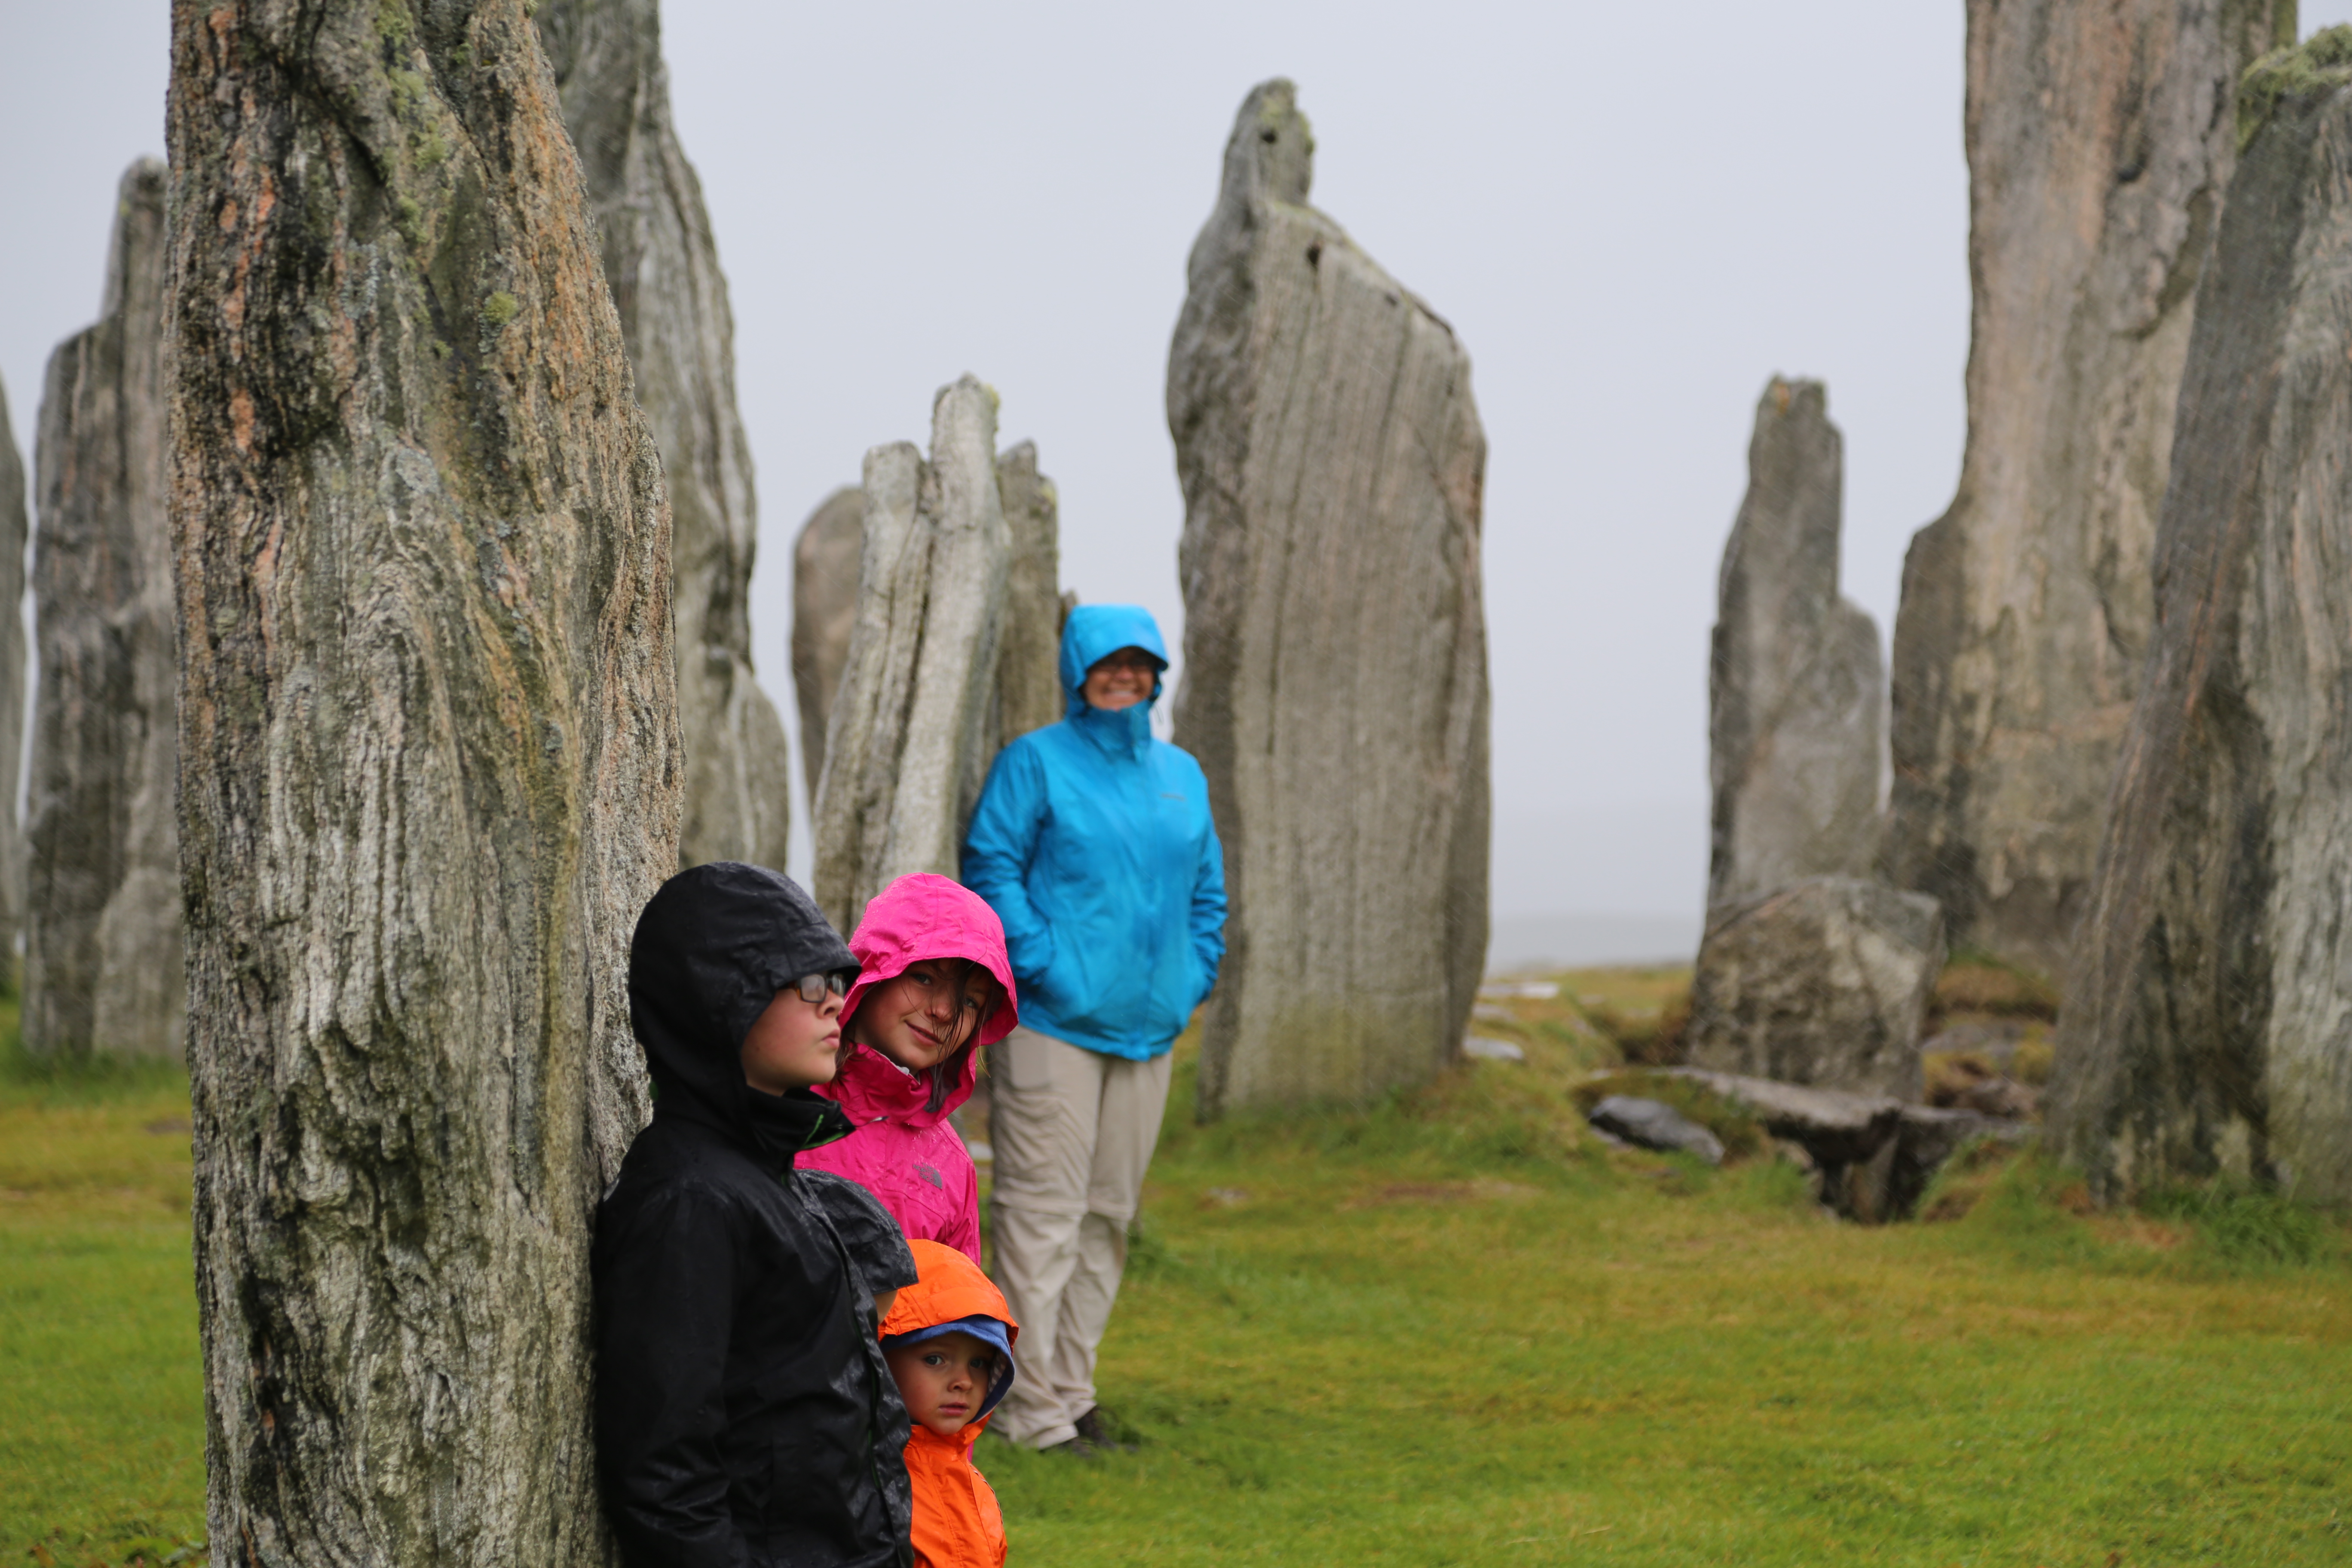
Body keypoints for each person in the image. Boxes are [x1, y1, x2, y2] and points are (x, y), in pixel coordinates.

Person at [594, 861, 914, 1568]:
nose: (836, 1004)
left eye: (837, 982)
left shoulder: (767, 1172)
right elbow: (667, 1478)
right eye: (806, 984)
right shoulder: (691, 1199)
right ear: (721, 1000)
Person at [961, 604, 1227, 1455]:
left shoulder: (1181, 773)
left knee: (1109, 1218)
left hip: (1148, 1032)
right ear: (1079, 670)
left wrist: (1194, 975)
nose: (1125, 676)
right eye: (1108, 662)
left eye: (1140, 664)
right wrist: (1045, 965)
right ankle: (1029, 1413)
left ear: (1158, 674)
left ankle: (1072, 1397)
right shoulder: (1034, 763)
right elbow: (992, 866)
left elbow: (1207, 894)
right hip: (1053, 1027)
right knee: (1044, 1219)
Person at [799, 873, 1020, 1264]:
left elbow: (953, 1305)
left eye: (970, 1002)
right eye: (923, 978)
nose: (944, 1011)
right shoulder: (783, 1099)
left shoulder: (952, 1163)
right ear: (872, 973)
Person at [879, 1239, 1021, 1568]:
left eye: (979, 1363)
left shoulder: (975, 1487)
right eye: (935, 1359)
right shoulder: (858, 1481)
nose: (964, 1381)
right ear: (879, 1360)